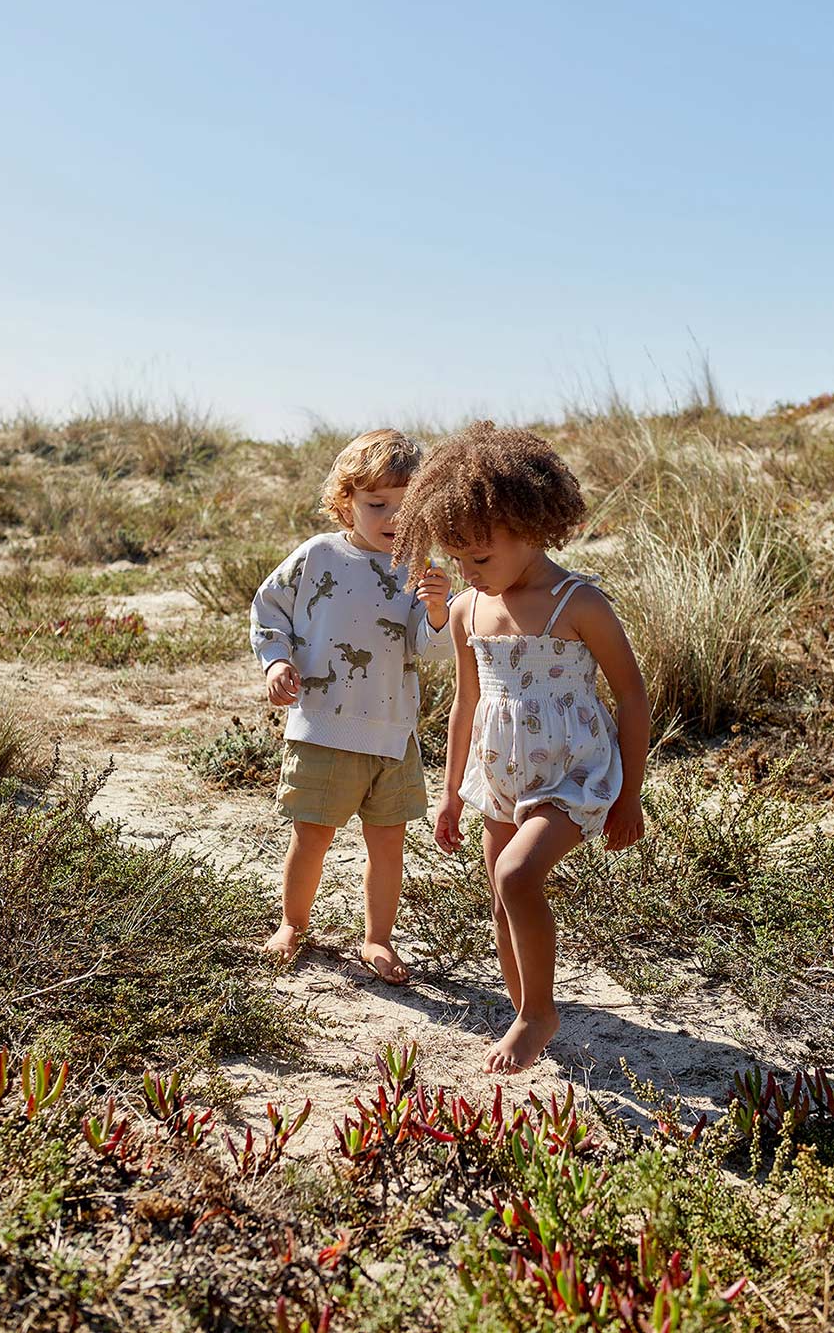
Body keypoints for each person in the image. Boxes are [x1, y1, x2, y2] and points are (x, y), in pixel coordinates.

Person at [392, 421, 649, 1071]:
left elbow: (632, 697)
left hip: (574, 771)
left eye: (480, 557)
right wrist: (451, 792)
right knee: (500, 897)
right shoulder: (469, 610)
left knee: (516, 875)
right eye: (457, 561)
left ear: (530, 526)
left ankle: (538, 1014)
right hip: (500, 771)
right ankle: (524, 1008)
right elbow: (465, 705)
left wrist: (630, 795)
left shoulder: (576, 601)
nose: (469, 573)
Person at [250, 429, 451, 984]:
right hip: (323, 728)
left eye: (406, 508)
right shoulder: (319, 555)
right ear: (347, 502)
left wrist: (438, 610)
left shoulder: (418, 570)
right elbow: (269, 608)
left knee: (388, 845)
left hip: (392, 735)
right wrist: (275, 662)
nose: (391, 517)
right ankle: (293, 923)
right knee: (311, 833)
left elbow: (428, 647)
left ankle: (377, 939)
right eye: (376, 504)